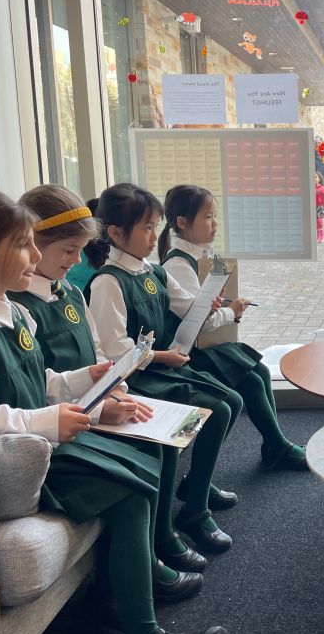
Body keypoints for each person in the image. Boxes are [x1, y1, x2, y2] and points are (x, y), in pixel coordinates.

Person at [0, 189, 228, 634]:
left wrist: (82, 378)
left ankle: (110, 607)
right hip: (5, 471)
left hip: (33, 445)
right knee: (128, 488)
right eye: (23, 245)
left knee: (138, 470)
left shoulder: (10, 313)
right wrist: (48, 420)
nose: (35, 256)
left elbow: (38, 380)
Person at [11, 183, 210, 590]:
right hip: (68, 418)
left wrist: (114, 388)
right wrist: (104, 404)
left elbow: (100, 353)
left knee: (168, 434)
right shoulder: (21, 308)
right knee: (152, 447)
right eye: (68, 251)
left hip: (93, 401)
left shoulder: (69, 292)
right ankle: (148, 557)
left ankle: (162, 537)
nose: (76, 261)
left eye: (78, 251)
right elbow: (39, 387)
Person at [83, 183, 241, 557]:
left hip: (160, 368)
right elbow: (117, 355)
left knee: (230, 402)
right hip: (135, 380)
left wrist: (210, 304)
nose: (155, 236)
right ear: (116, 234)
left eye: (155, 226)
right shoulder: (108, 282)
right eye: (147, 228)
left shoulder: (151, 272)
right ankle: (190, 512)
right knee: (214, 411)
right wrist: (163, 357)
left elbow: (189, 307)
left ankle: (196, 493)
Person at [157, 184, 308, 471]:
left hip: (203, 345)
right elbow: (200, 321)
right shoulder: (178, 265)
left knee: (261, 371)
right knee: (251, 380)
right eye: (207, 217)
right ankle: (277, 446)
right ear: (182, 223)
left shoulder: (201, 256)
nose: (214, 224)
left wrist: (227, 310)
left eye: (214, 216)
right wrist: (232, 311)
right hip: (188, 352)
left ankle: (274, 444)